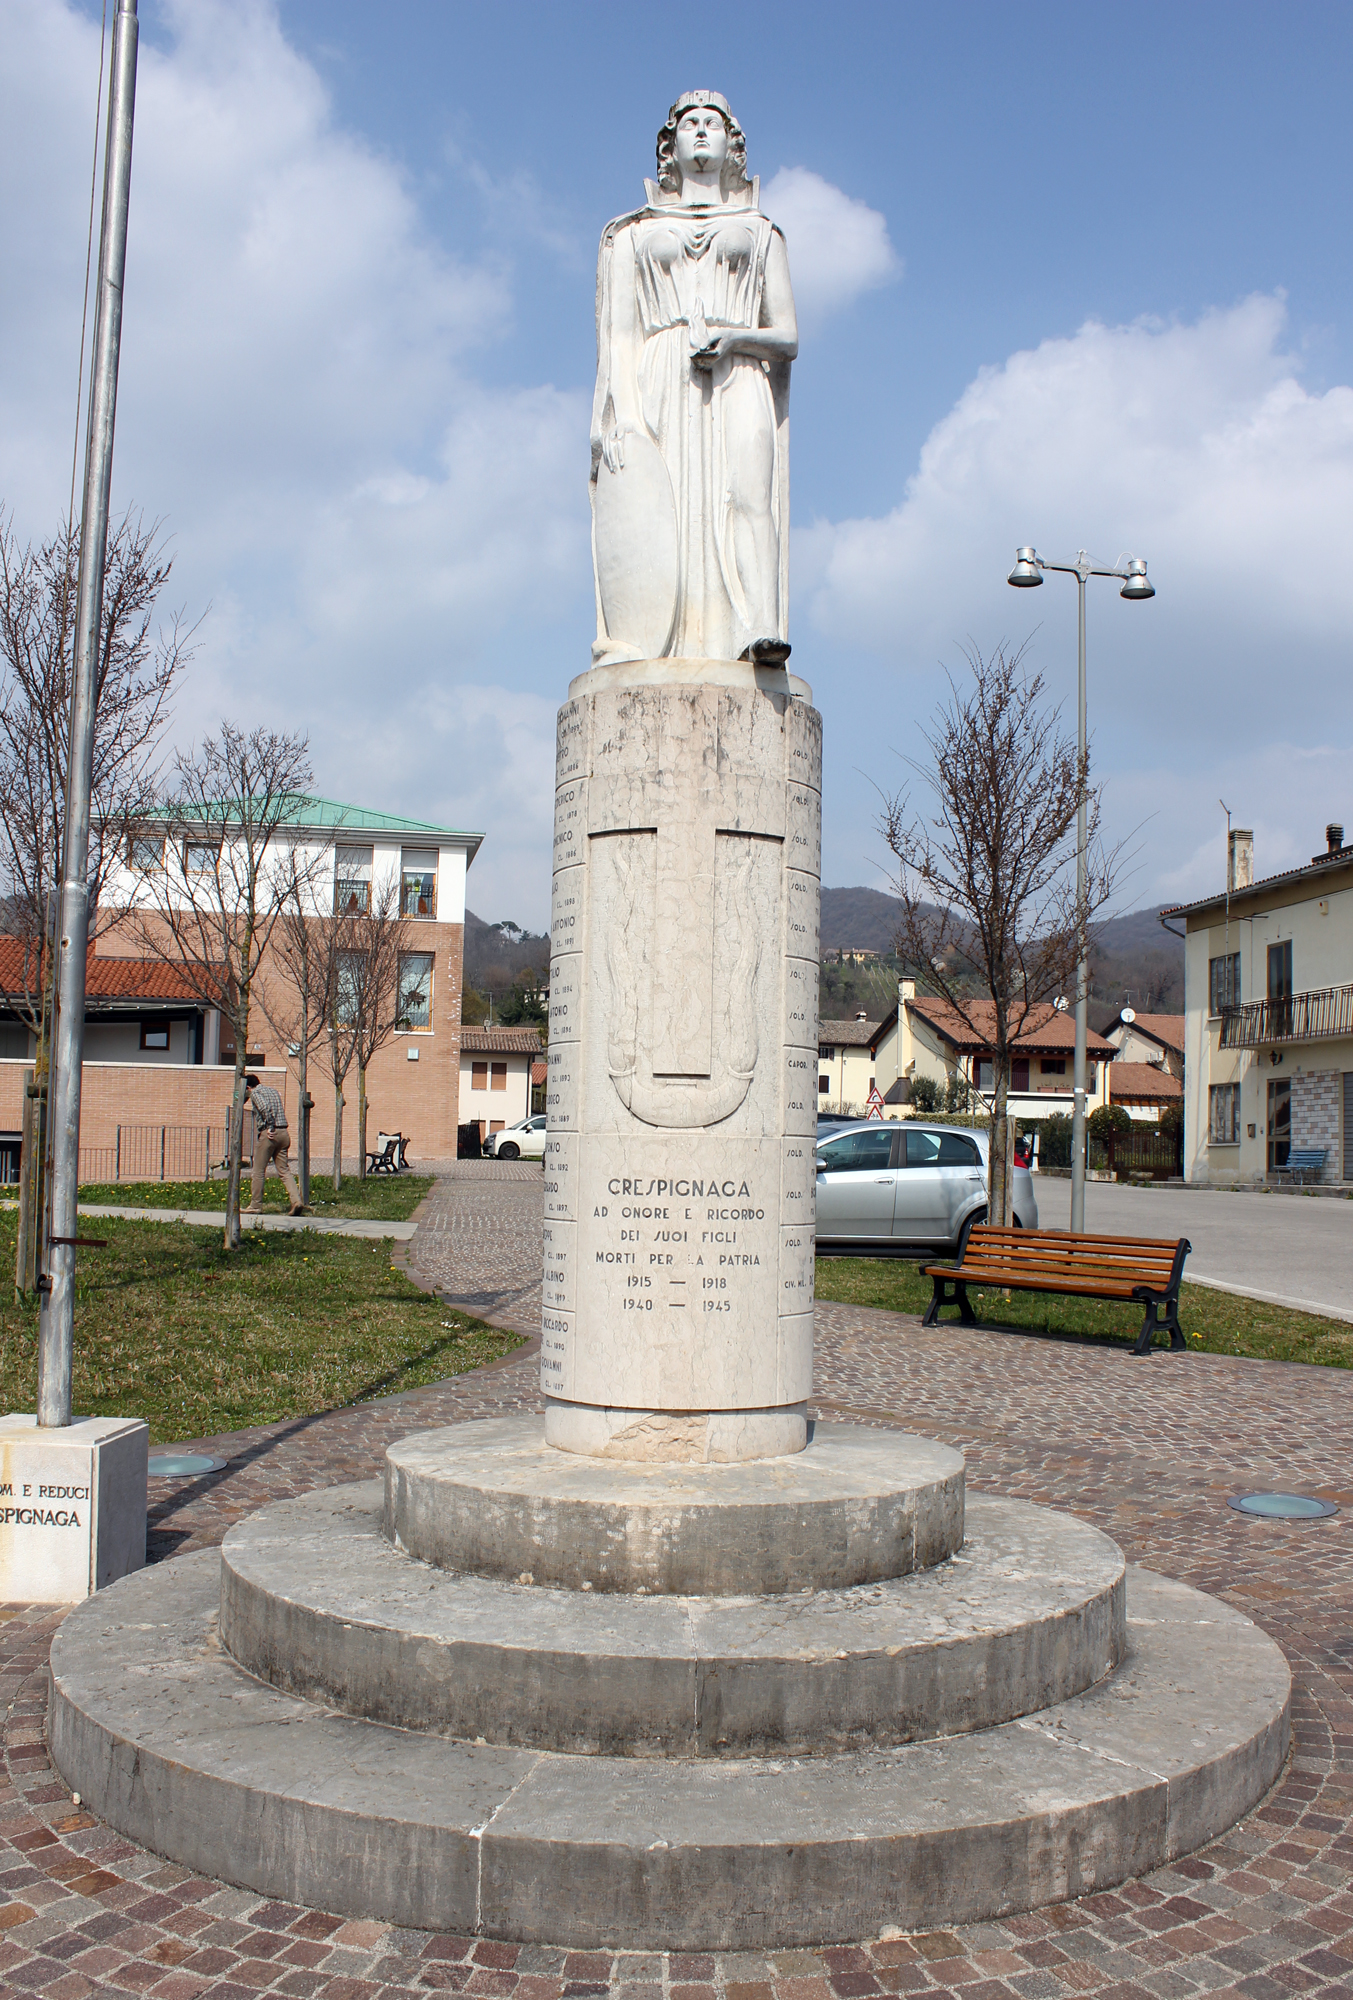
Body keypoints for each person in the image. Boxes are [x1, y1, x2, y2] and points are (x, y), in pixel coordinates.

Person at [590, 90, 798, 667]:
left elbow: (789, 337)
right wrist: (622, 416)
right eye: (690, 124)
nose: (701, 131)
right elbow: (620, 336)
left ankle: (758, 628)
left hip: (741, 374)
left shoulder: (762, 232)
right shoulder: (631, 232)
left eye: (713, 123)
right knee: (668, 512)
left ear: (732, 144)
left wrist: (735, 340)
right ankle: (657, 640)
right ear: (670, 144)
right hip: (661, 377)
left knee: (749, 495)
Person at [242, 1074, 308, 1214]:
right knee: (284, 1170)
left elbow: (264, 1108)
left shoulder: (255, 1093)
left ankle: (255, 1205)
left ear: (248, 1087)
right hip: (284, 1133)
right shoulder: (273, 1091)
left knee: (258, 1171)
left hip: (270, 1133)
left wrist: (270, 1127)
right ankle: (296, 1201)